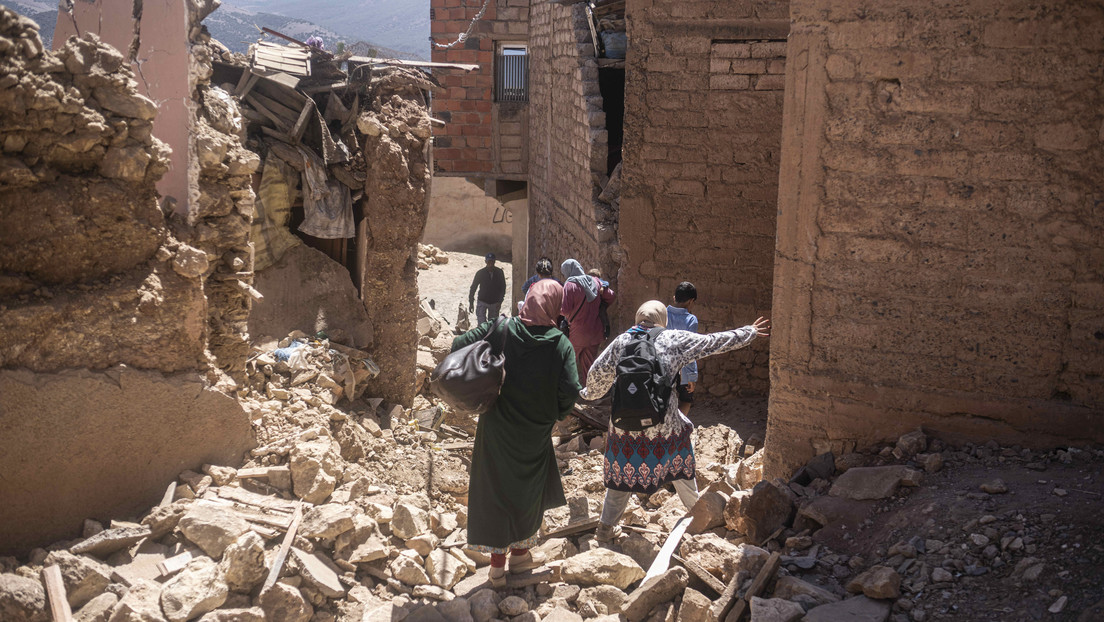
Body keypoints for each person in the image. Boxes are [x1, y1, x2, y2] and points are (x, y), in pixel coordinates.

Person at [580, 301, 769, 542]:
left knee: (620, 479)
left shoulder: (620, 342)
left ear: (638, 318)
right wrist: (748, 332)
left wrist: (586, 394)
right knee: (681, 469)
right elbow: (713, 342)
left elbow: (595, 381)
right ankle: (700, 518)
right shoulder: (674, 339)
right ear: (662, 319)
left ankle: (606, 528)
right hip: (664, 427)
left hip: (624, 428)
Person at [451, 279, 582, 587]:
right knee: (527, 491)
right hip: (535, 431)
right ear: (556, 306)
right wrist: (556, 414)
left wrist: (487, 367)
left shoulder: (503, 329)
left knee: (496, 490)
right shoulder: (560, 343)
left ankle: (498, 568)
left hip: (496, 426)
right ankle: (520, 555)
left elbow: (458, 346)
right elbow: (570, 390)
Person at [560, 259, 616, 387]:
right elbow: (611, 295)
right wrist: (601, 305)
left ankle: (568, 391)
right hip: (595, 332)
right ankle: (589, 392)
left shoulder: (570, 285)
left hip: (577, 334)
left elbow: (565, 310)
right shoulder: (595, 281)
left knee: (568, 363)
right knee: (589, 366)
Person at [666, 282, 699, 415]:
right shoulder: (691, 320)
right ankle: (680, 425)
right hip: (682, 369)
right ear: (691, 301)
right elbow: (690, 350)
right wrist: (691, 376)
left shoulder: (663, 314)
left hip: (664, 367)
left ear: (674, 298)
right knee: (686, 400)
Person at [469, 252, 506, 325]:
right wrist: (471, 302)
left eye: (492, 262)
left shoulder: (499, 272)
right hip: (482, 301)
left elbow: (503, 287)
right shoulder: (480, 273)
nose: (490, 264)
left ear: (494, 262)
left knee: (492, 325)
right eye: (489, 262)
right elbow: (473, 287)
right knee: (481, 325)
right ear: (485, 262)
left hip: (494, 302)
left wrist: (500, 301)